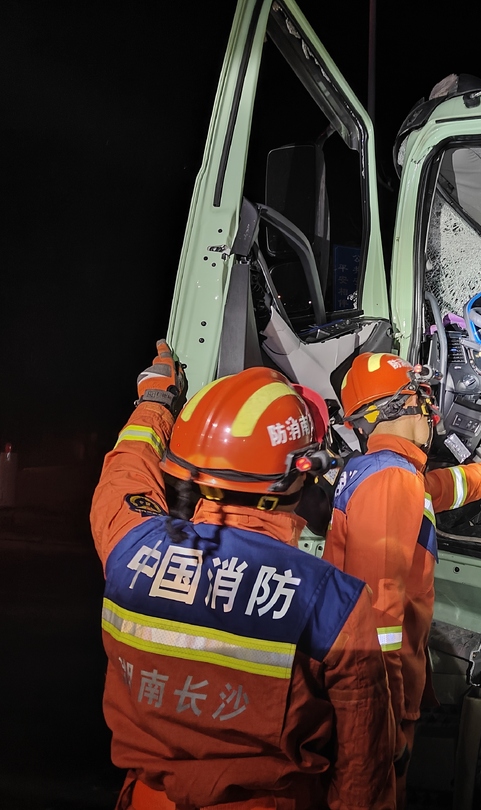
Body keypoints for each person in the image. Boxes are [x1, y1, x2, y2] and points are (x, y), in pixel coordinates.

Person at [91, 341, 395, 810]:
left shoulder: (129, 544)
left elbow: (126, 474)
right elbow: (363, 777)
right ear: (300, 476)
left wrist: (155, 402)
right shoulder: (333, 602)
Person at [323, 352, 481, 808]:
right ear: (405, 405)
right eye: (424, 398)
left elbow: (443, 488)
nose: (432, 412)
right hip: (379, 700)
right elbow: (378, 616)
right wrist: (388, 720)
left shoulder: (385, 471)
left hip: (373, 689)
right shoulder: (390, 481)